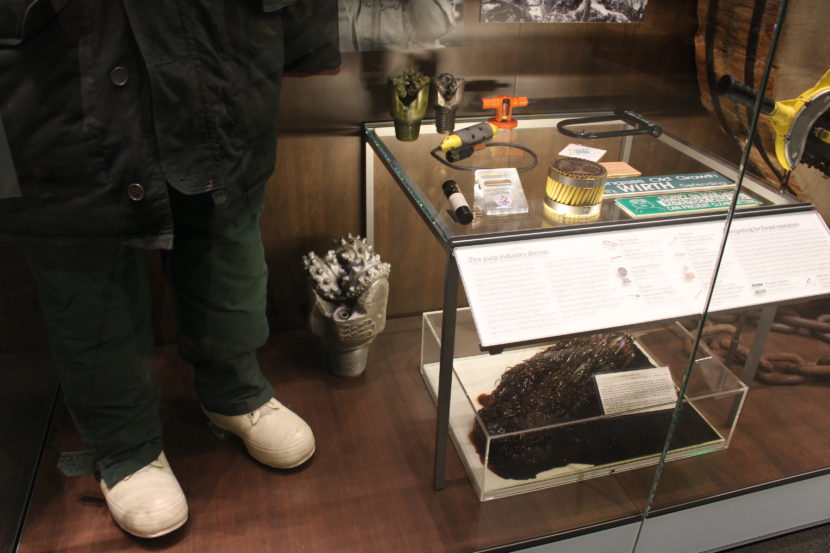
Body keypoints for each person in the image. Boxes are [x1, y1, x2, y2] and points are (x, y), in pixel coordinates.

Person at [0, 0, 339, 539]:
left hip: (217, 43)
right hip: (54, 66)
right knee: (84, 261)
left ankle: (235, 390)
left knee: (223, 221)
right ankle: (125, 445)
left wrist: (305, 38)